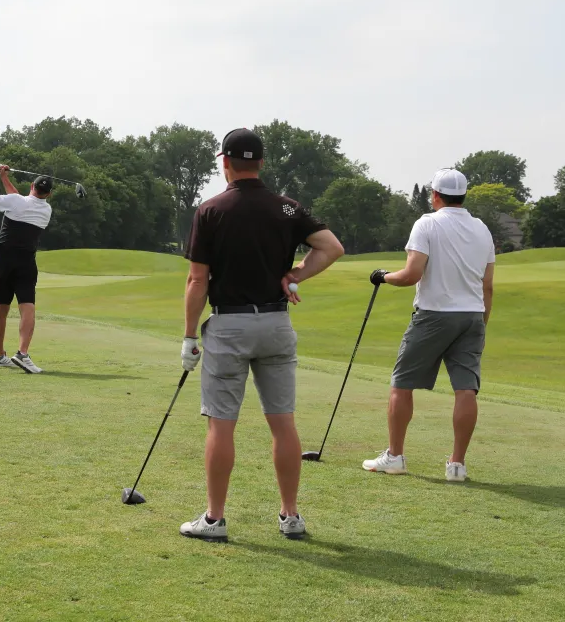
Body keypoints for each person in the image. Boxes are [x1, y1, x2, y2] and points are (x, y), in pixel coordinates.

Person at [178, 128, 345, 543]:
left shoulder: (211, 210)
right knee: (282, 422)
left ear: (225, 163)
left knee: (221, 425)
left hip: (229, 325)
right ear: (262, 163)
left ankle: (214, 520)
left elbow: (197, 281)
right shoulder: (287, 209)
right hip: (275, 323)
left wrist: (187, 336)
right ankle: (291, 516)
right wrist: (296, 275)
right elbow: (331, 247)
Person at [364, 168, 495, 482]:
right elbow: (487, 285)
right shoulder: (482, 229)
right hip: (472, 316)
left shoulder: (427, 223)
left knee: (402, 384)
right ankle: (457, 466)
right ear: (464, 196)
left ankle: (395, 456)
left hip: (434, 316)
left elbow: (411, 275)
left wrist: (382, 276)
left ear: (435, 195)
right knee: (466, 390)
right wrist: (482, 324)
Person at [0, 164, 53, 374]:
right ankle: (22, 353)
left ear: (31, 186)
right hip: (26, 262)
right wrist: (4, 178)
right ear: (49, 194)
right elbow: (19, 200)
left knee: (3, 307)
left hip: (3, 260)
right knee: (27, 306)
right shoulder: (46, 209)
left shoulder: (16, 202)